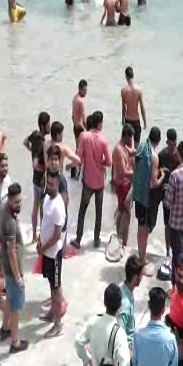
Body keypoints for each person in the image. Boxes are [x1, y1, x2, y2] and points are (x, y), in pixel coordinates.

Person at [72, 111, 112, 249]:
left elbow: (78, 157)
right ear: (100, 123)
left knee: (82, 210)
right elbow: (109, 162)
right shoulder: (104, 140)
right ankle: (96, 239)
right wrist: (100, 160)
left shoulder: (84, 137)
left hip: (88, 180)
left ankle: (78, 239)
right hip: (100, 181)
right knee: (98, 211)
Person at [0, 183, 29, 353]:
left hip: (6, 265)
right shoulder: (9, 221)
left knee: (9, 297)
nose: (19, 205)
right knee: (16, 307)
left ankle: (5, 328)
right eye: (16, 202)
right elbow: (11, 251)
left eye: (20, 201)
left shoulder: (3, 208)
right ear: (9, 200)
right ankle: (15, 342)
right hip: (12, 268)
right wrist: (18, 277)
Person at [38, 170, 67, 338]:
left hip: (53, 253)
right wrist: (39, 239)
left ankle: (58, 323)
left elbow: (57, 235)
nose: (49, 186)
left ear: (58, 185)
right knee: (51, 284)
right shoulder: (47, 199)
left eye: (52, 184)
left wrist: (43, 248)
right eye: (47, 183)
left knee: (56, 289)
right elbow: (45, 224)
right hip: (46, 250)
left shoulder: (58, 206)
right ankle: (52, 313)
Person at [132, 128, 165, 268]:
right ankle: (142, 258)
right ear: (158, 140)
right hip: (145, 197)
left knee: (140, 226)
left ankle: (141, 255)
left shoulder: (141, 146)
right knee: (144, 229)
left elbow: (134, 165)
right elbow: (153, 184)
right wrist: (162, 175)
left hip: (137, 194)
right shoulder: (154, 156)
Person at [149, 129, 180, 257]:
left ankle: (168, 251)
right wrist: (162, 171)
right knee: (152, 220)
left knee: (169, 224)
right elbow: (155, 172)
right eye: (170, 145)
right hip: (160, 190)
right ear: (166, 142)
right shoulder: (161, 155)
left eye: (174, 145)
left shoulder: (178, 156)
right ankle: (146, 234)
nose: (173, 148)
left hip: (171, 194)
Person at [24, 111, 51, 242]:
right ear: (42, 126)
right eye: (48, 124)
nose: (50, 127)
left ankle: (35, 234)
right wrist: (45, 169)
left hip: (35, 179)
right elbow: (35, 164)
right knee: (42, 209)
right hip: (41, 180)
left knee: (36, 206)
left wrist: (31, 150)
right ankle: (41, 235)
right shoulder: (40, 142)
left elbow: (25, 142)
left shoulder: (34, 134)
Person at [113, 124, 135, 247]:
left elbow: (133, 156)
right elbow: (123, 172)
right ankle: (120, 240)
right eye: (130, 138)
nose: (131, 141)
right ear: (125, 136)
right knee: (125, 212)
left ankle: (123, 240)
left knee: (123, 211)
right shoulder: (118, 150)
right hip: (121, 184)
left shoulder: (125, 147)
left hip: (126, 184)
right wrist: (136, 174)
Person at [121, 66, 147, 147]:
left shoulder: (123, 91)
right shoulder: (139, 90)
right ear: (133, 75)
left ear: (126, 76)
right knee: (136, 147)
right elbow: (142, 107)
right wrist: (145, 121)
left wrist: (122, 120)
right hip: (136, 120)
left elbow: (124, 108)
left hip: (128, 120)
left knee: (127, 146)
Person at [71, 79, 88, 178]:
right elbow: (84, 119)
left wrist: (75, 123)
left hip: (75, 127)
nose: (86, 92)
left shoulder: (75, 98)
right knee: (81, 151)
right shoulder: (81, 102)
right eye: (84, 90)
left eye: (86, 90)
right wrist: (89, 131)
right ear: (80, 89)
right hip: (80, 128)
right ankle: (79, 173)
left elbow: (72, 116)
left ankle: (75, 170)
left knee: (78, 149)